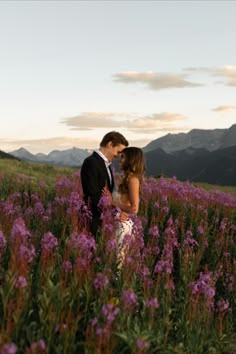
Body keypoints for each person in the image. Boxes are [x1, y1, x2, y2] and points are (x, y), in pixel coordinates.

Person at [102, 147, 145, 267]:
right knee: (111, 259)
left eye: (123, 157)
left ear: (131, 160)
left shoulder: (133, 180)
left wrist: (112, 202)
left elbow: (135, 209)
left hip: (122, 224)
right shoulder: (126, 179)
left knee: (117, 262)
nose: (120, 160)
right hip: (116, 221)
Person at [80, 131, 129, 237]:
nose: (118, 156)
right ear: (110, 144)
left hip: (104, 220)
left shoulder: (106, 165)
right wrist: (116, 214)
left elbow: (108, 194)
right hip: (93, 219)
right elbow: (93, 195)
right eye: (118, 151)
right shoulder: (91, 162)